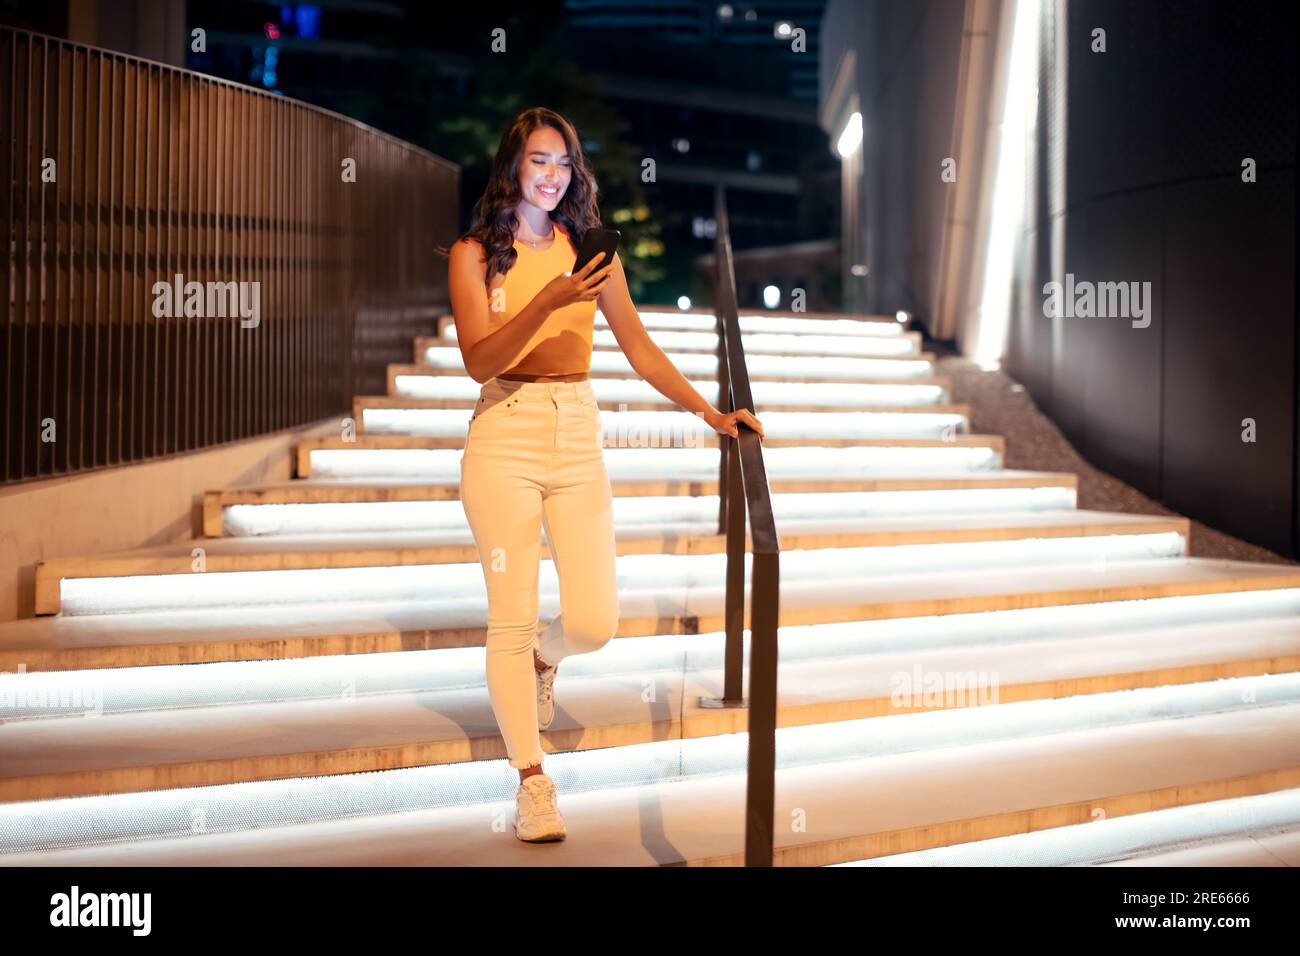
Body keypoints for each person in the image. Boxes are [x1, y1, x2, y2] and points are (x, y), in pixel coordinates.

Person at [440, 107, 764, 842]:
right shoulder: (472, 254)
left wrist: (712, 414)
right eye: (537, 163)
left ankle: (542, 659)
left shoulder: (591, 253)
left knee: (593, 619)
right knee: (509, 613)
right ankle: (532, 780)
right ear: (512, 169)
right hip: (504, 433)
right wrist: (549, 300)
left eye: (563, 163)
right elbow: (479, 360)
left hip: (576, 432)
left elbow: (641, 350)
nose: (552, 177)